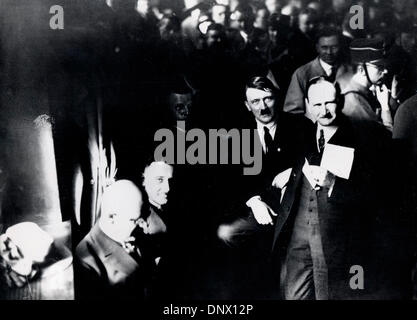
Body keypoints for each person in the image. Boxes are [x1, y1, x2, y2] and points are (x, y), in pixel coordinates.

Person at [269, 77, 400, 299]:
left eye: (329, 103)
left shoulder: (363, 136)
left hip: (337, 240)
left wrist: (334, 183)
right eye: (317, 105)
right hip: (297, 238)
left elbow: (375, 194)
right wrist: (285, 177)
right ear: (308, 105)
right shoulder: (300, 133)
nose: (324, 111)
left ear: (339, 101)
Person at [75, 180, 155, 300]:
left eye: (144, 215)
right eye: (135, 220)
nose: (144, 226)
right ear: (112, 217)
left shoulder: (131, 230)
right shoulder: (85, 263)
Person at [283, 27, 351, 118]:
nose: (329, 52)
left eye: (334, 47)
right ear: (317, 48)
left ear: (340, 47)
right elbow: (292, 112)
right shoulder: (302, 74)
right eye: (324, 47)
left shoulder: (351, 70)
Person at [342, 38, 395, 131]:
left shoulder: (364, 91)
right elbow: (385, 139)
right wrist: (385, 107)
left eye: (384, 66)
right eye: (379, 67)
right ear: (361, 70)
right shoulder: (354, 102)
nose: (385, 71)